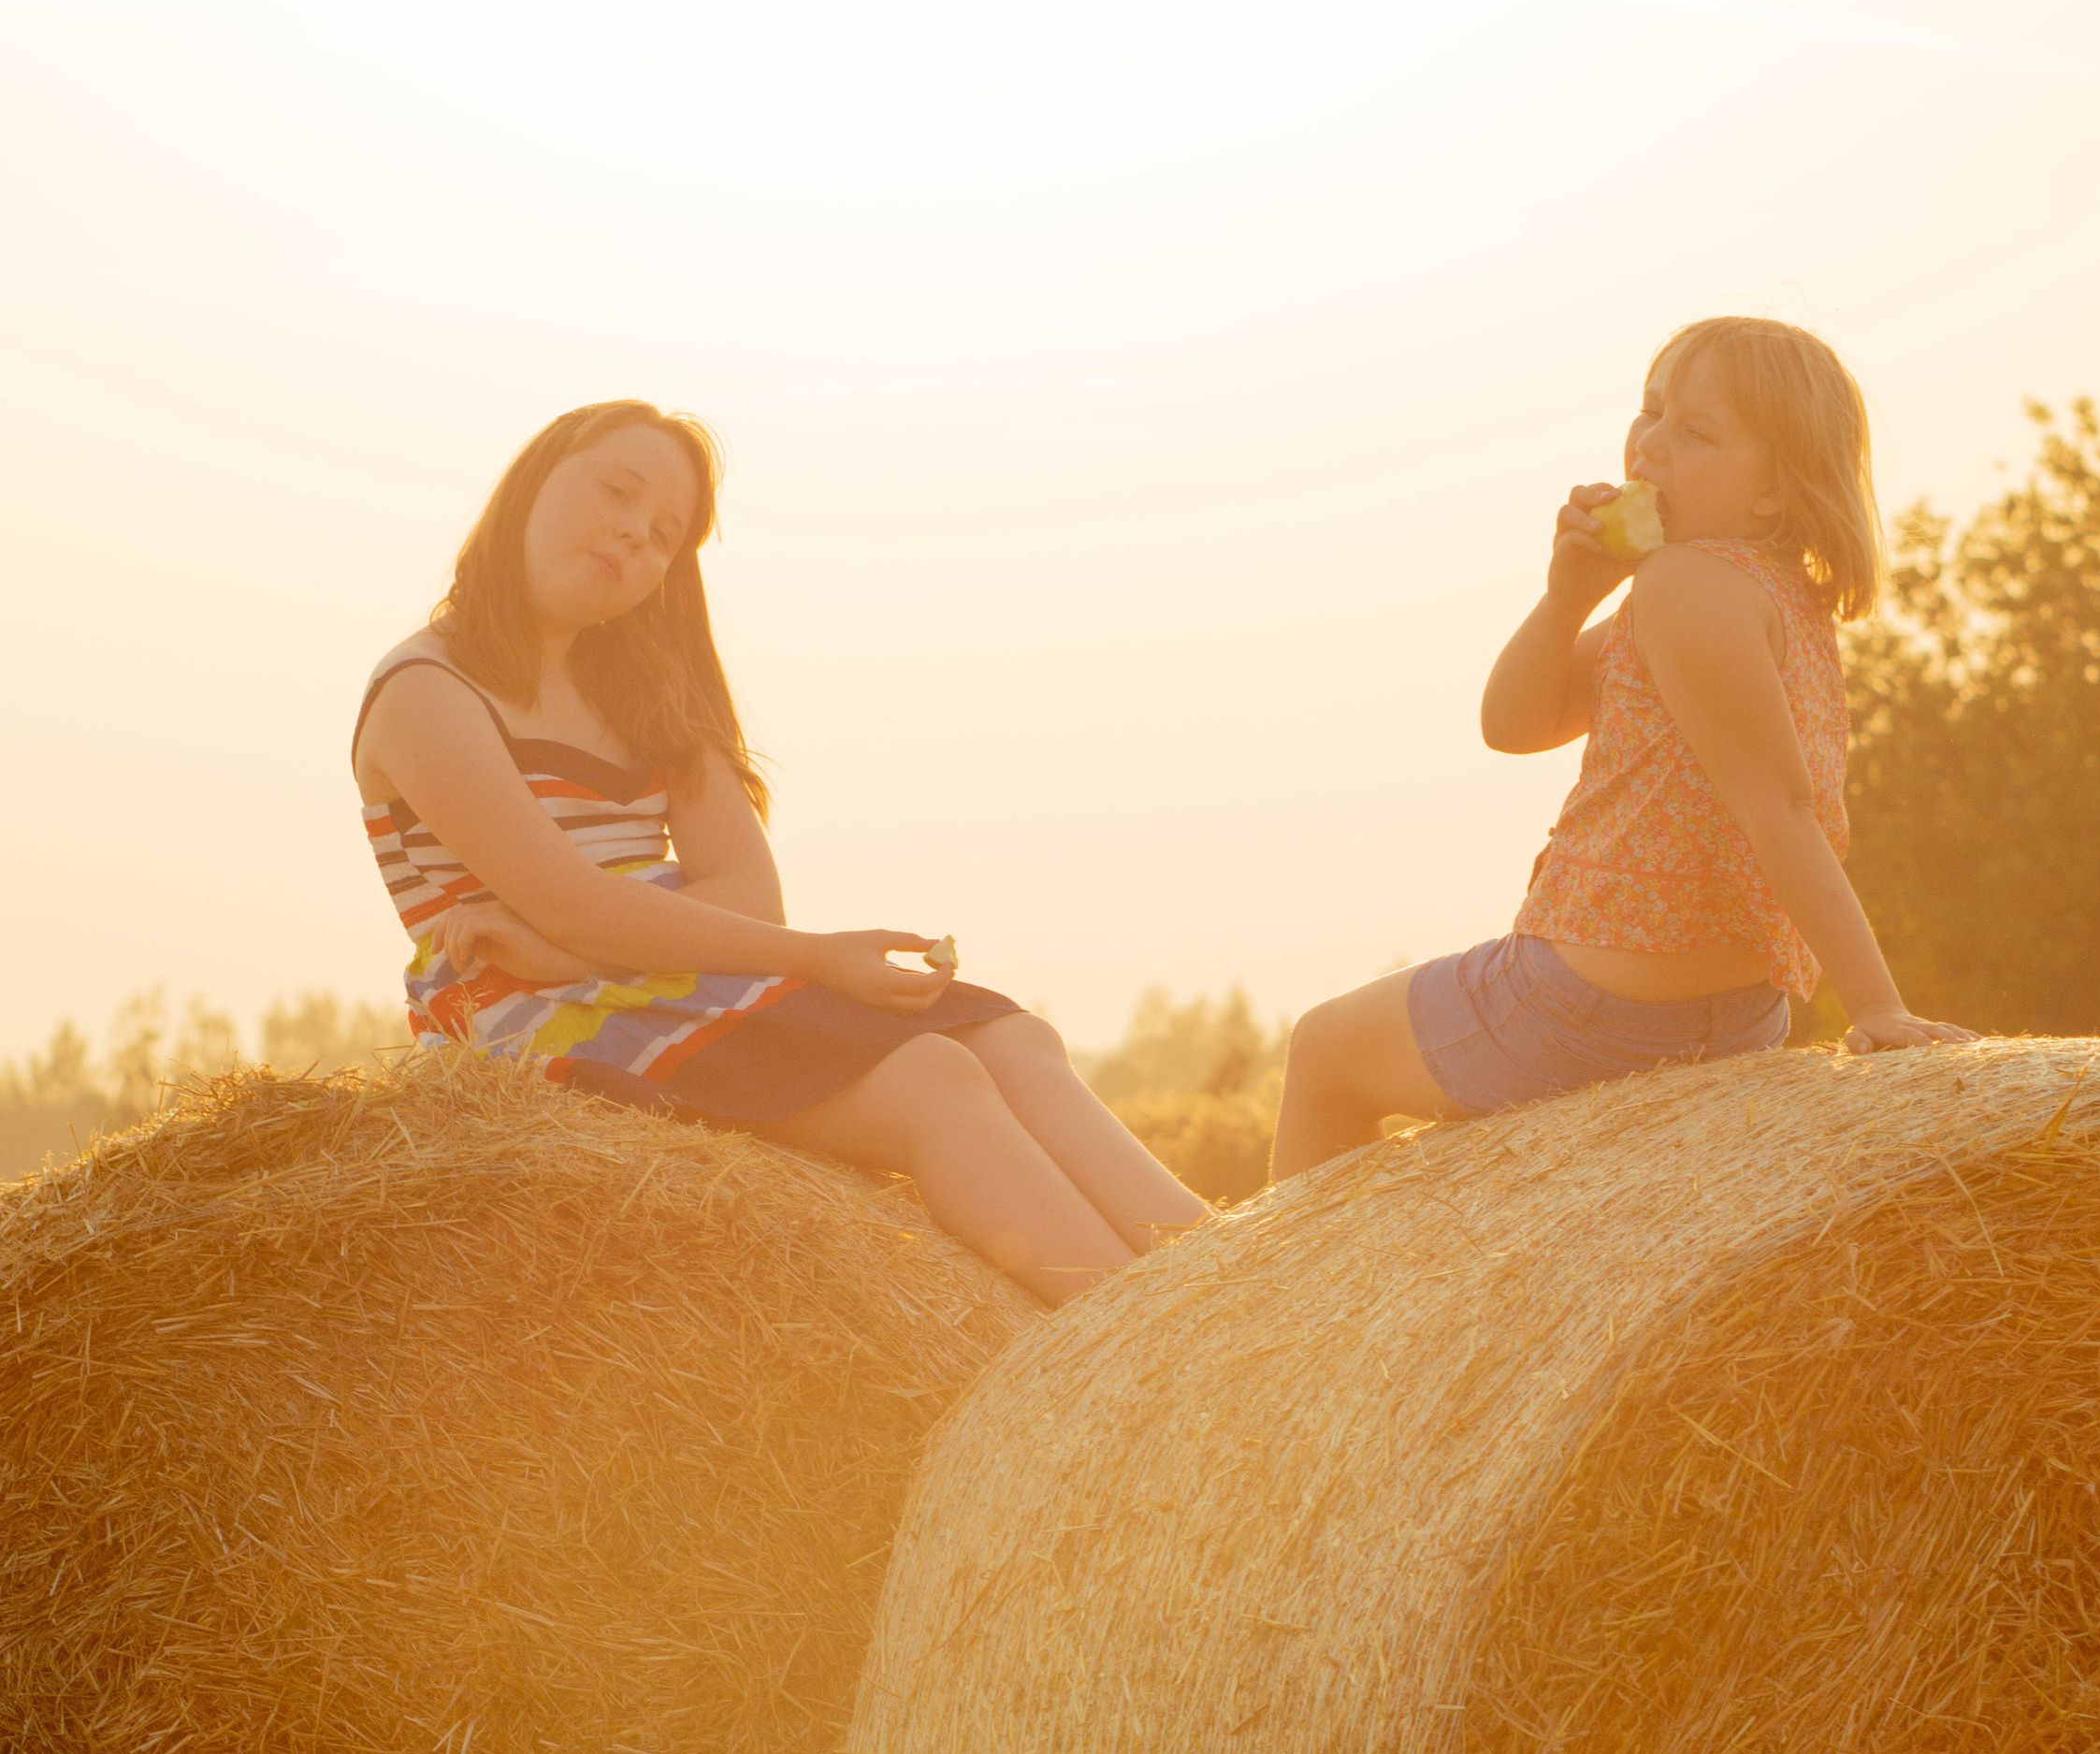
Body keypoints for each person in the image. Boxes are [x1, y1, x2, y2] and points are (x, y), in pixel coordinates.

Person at [353, 399, 1206, 1301]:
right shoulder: (427, 690)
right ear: (534, 477)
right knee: (932, 1079)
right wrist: (816, 961)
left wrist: (585, 945)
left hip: (656, 970)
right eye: (616, 493)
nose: (632, 537)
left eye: (662, 536)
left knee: (1011, 1036)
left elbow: (750, 893)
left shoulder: (647, 696)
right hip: (532, 1014)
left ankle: (1235, 1289)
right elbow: (574, 900)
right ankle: (1147, 1349)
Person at [1269, 317, 1970, 1179]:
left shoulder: (1683, 586)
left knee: (1322, 1053)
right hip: (1743, 1015)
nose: (1653, 446)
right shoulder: (1765, 597)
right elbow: (1516, 725)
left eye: (1698, 432)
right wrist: (1568, 596)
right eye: (1651, 411)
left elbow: (1781, 807)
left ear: (1774, 492)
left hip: (1585, 1002)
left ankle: (1296, 1314)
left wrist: (1878, 1005)